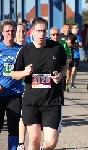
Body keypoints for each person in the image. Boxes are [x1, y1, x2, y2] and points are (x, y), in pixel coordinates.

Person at [11, 17, 68, 150]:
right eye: (38, 31)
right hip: (31, 101)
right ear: (32, 32)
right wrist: (24, 72)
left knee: (51, 142)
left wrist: (60, 74)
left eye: (44, 31)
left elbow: (65, 64)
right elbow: (14, 74)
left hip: (51, 101)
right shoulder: (25, 50)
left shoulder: (57, 48)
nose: (42, 34)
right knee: (34, 139)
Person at [0, 19, 22, 150]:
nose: (10, 33)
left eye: (12, 31)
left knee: (13, 126)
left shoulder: (21, 50)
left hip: (15, 93)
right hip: (1, 92)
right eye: (7, 31)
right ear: (2, 32)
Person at [50, 26, 72, 106]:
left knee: (61, 91)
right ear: (50, 35)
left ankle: (60, 106)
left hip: (62, 72)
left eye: (57, 34)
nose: (55, 36)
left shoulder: (63, 43)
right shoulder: (47, 44)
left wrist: (67, 60)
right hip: (51, 72)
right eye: (53, 35)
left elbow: (69, 56)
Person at [15, 23, 27, 150]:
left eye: (23, 31)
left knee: (24, 115)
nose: (21, 33)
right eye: (19, 31)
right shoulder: (11, 47)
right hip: (12, 87)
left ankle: (21, 143)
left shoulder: (30, 47)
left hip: (26, 85)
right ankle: (19, 142)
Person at [70, 23, 82, 88]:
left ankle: (72, 83)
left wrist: (78, 45)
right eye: (76, 28)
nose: (77, 29)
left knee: (74, 69)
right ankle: (66, 82)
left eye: (78, 28)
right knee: (68, 70)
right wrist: (75, 45)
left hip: (76, 55)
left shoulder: (79, 37)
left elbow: (80, 45)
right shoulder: (69, 36)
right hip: (69, 54)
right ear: (72, 29)